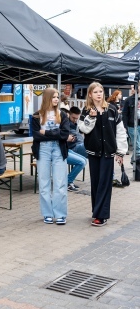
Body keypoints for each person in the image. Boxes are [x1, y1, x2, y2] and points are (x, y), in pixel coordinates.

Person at [78, 82, 127, 227]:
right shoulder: (86, 110)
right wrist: (91, 118)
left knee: (105, 184)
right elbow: (82, 129)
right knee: (95, 183)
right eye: (96, 92)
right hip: (93, 152)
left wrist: (121, 152)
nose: (99, 94)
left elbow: (120, 132)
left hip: (108, 153)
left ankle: (101, 215)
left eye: (101, 91)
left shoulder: (112, 110)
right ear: (90, 94)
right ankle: (96, 211)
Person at [31, 88, 70, 225]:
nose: (56, 99)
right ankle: (47, 213)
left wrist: (46, 132)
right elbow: (35, 135)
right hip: (43, 149)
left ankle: (60, 214)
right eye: (54, 97)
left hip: (58, 149)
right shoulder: (36, 116)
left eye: (57, 97)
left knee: (60, 183)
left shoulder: (62, 115)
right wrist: (55, 132)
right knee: (44, 183)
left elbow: (65, 134)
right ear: (47, 98)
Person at [61, 107, 87, 192]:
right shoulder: (65, 124)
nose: (75, 120)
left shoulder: (76, 124)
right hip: (71, 148)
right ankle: (68, 182)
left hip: (71, 149)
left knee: (86, 159)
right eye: (73, 118)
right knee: (90, 147)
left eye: (77, 118)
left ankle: (69, 181)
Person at [121, 85, 140, 163]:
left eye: (134, 87)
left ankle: (133, 160)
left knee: (138, 146)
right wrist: (124, 126)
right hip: (132, 125)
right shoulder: (128, 100)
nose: (132, 89)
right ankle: (137, 165)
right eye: (131, 87)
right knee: (137, 146)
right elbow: (124, 114)